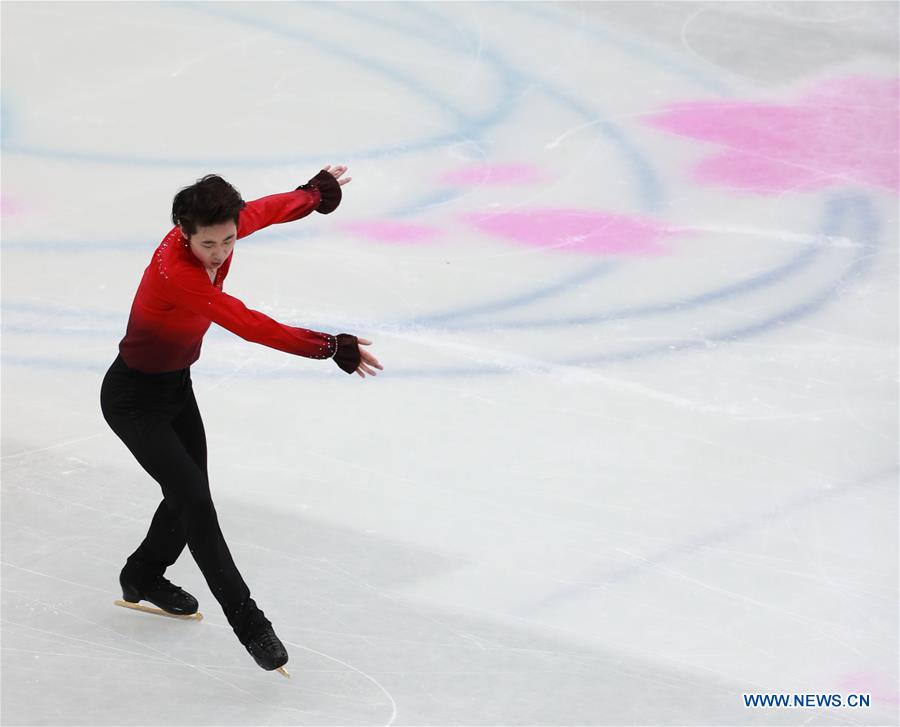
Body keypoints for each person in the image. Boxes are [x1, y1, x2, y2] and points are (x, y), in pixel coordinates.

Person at [99, 166, 382, 674]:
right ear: (184, 232)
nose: (221, 252)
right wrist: (327, 347)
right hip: (132, 399)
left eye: (229, 241)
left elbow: (263, 212)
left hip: (175, 388)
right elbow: (250, 325)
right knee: (196, 504)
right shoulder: (178, 272)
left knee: (187, 493)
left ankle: (142, 574)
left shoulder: (220, 228)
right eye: (209, 244)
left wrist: (311, 195)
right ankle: (251, 625)